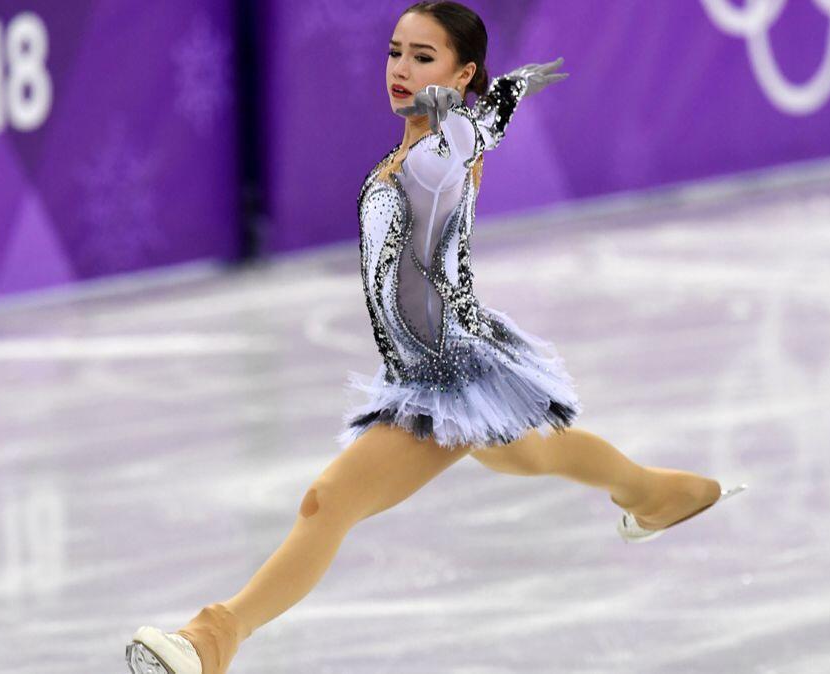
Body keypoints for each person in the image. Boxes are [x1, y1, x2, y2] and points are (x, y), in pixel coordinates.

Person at [124, 3, 745, 673]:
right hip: (422, 366)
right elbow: (489, 123)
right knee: (528, 456)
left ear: (460, 71)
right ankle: (656, 492)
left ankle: (213, 638)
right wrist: (499, 97)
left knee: (326, 501)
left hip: (448, 372)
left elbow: (466, 141)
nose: (400, 68)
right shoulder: (418, 148)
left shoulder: (435, 157)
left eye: (424, 57)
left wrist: (461, 119)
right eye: (396, 51)